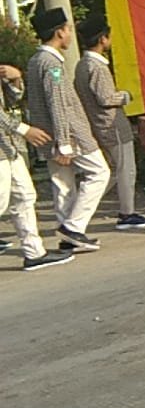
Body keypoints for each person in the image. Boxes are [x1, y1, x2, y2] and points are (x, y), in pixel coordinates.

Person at [26, 8, 108, 252]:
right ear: (59, 32)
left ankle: (68, 235)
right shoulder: (52, 64)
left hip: (46, 134)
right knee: (99, 173)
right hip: (70, 134)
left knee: (62, 183)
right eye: (68, 29)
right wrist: (64, 143)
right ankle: (74, 226)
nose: (71, 34)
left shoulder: (35, 60)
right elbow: (58, 103)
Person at [73, 14, 145, 230]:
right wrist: (126, 96)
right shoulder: (97, 67)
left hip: (96, 124)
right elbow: (106, 98)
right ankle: (127, 213)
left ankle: (83, 205)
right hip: (112, 124)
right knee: (126, 169)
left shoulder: (81, 65)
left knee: (108, 170)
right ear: (102, 39)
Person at [0, 62, 74, 270]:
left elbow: (11, 100)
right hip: (4, 148)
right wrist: (24, 130)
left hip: (8, 147)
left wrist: (15, 79)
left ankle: (34, 252)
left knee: (24, 196)